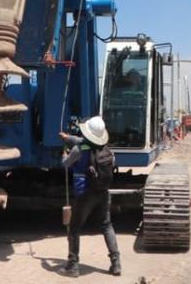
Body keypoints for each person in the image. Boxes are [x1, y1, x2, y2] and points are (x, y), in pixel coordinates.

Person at [59, 116, 121, 277]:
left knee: (74, 228)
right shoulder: (107, 149)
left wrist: (64, 152)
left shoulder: (78, 150)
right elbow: (84, 141)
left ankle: (72, 266)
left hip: (85, 194)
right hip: (103, 192)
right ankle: (116, 264)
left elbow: (65, 164)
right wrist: (68, 138)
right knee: (107, 226)